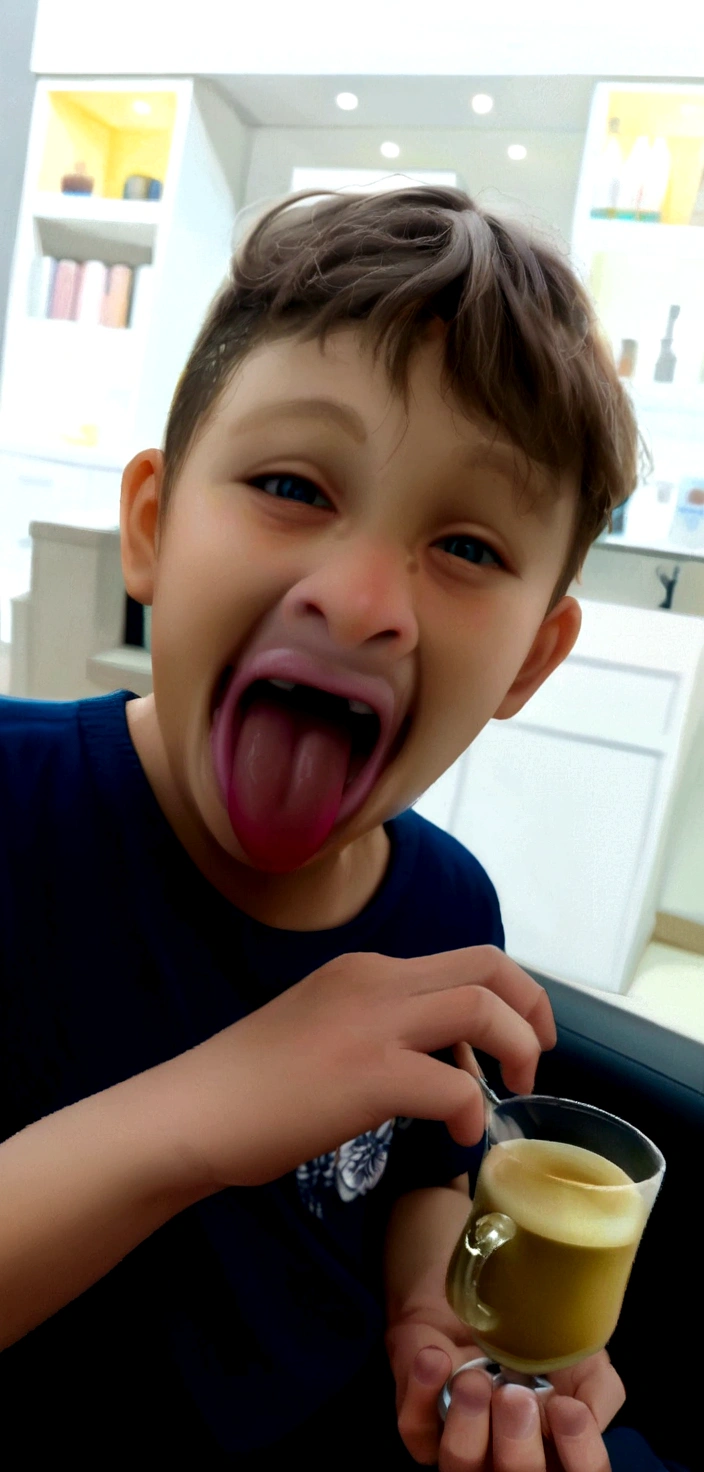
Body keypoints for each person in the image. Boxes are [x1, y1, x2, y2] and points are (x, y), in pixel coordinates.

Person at [0, 186, 673, 1470]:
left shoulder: (443, 915)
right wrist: (210, 1100)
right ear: (153, 523)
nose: (363, 599)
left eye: (466, 545)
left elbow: (420, 1162)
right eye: (292, 483)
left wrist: (429, 1307)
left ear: (531, 659)